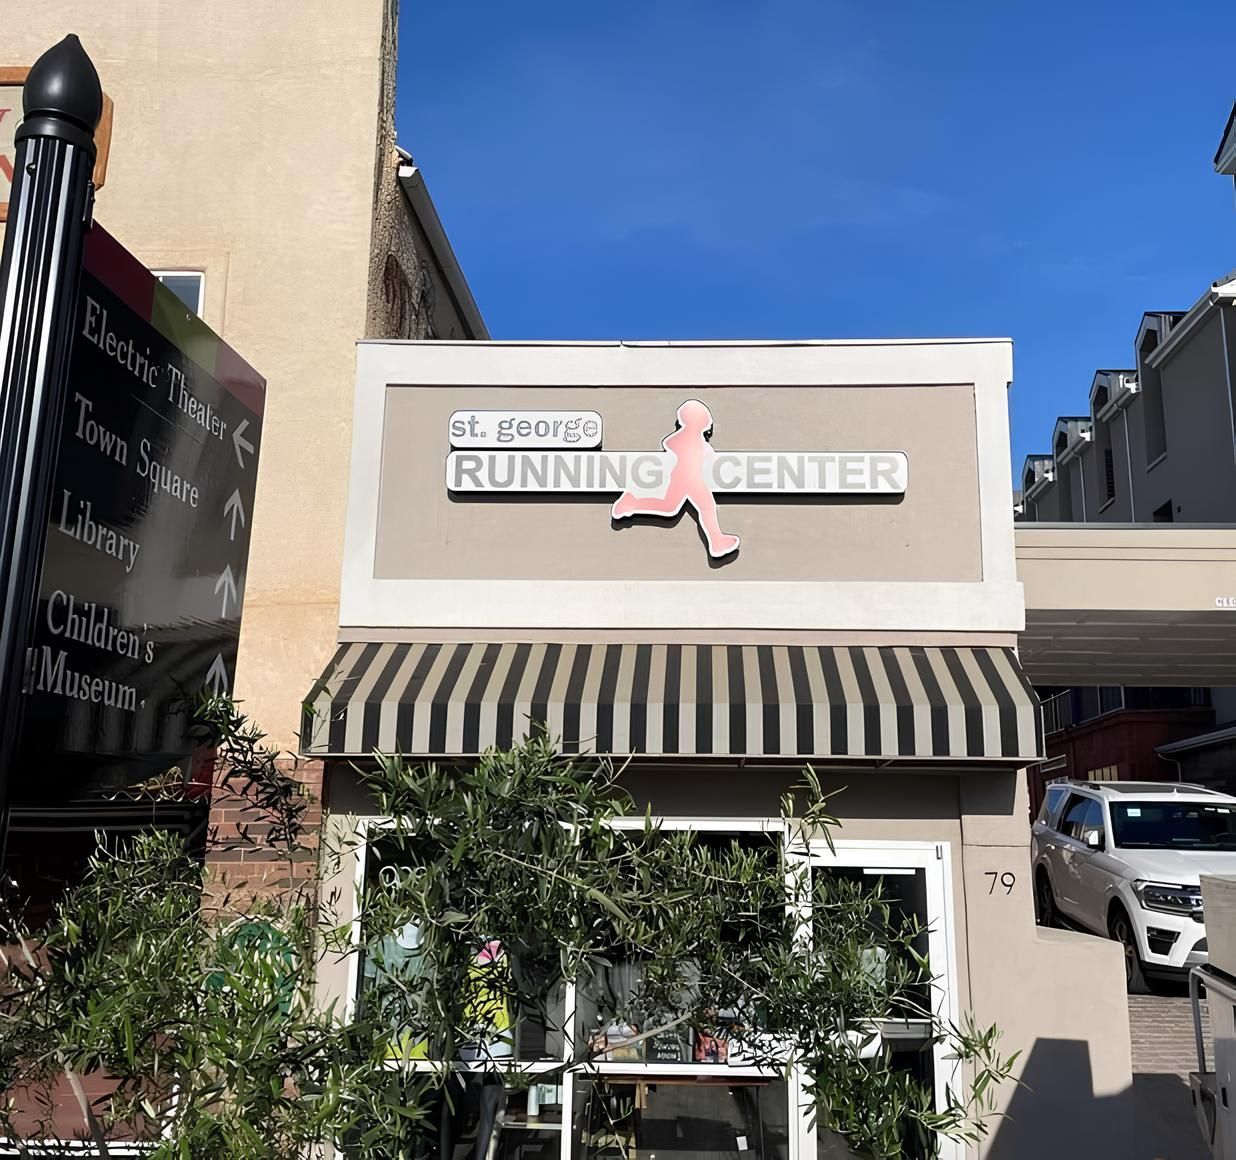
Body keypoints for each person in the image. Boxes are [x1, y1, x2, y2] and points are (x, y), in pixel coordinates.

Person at [611, 399, 740, 558]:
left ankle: (632, 503)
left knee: (670, 507)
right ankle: (716, 540)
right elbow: (702, 454)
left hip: (688, 478)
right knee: (705, 506)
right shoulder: (690, 439)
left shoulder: (689, 439)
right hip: (687, 478)